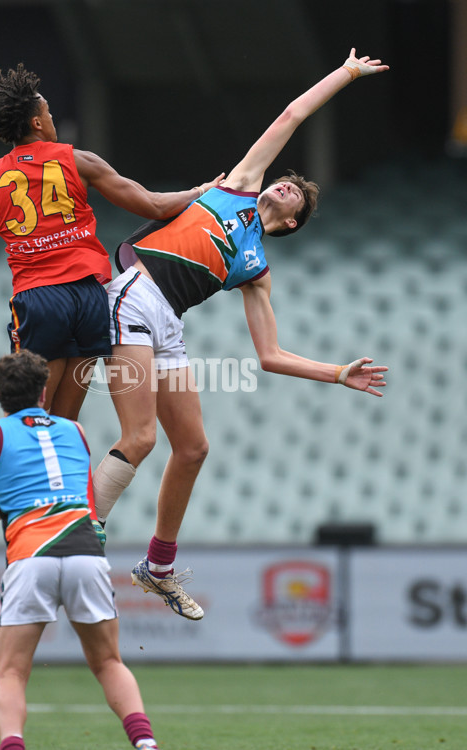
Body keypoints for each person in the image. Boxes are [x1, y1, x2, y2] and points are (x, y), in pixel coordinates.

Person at [91, 49, 390, 621]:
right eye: (282, 183)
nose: (282, 187)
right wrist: (346, 74)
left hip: (168, 322)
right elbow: (290, 117)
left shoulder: (256, 267)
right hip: (134, 291)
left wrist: (336, 373)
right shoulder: (236, 187)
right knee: (141, 438)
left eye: (293, 193)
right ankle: (82, 531)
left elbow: (270, 356)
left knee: (195, 447)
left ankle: (157, 568)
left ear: (294, 222)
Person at [0, 63, 223, 421]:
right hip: (90, 299)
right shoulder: (79, 160)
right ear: (37, 123)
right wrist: (201, 191)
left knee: (31, 420)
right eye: (48, 111)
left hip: (40, 300)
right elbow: (155, 206)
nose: (52, 117)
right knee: (65, 424)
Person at [0, 349, 163, 750]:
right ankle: (146, 743)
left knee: (13, 673)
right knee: (108, 663)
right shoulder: (74, 432)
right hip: (85, 550)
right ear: (44, 391)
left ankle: (13, 745)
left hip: (32, 556)